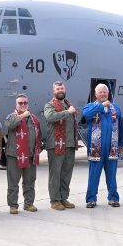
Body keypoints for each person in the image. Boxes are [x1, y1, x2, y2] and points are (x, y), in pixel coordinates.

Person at [83, 84, 123, 208]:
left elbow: (121, 126)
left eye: (105, 92)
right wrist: (101, 106)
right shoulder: (91, 106)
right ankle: (91, 199)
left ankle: (113, 198)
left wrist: (121, 143)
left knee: (112, 175)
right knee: (94, 175)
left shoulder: (115, 108)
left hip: (112, 147)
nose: (103, 94)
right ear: (96, 94)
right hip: (96, 148)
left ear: (108, 94)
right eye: (100, 92)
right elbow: (86, 114)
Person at [43, 81, 79, 211]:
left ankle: (64, 198)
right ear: (54, 91)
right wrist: (68, 112)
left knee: (66, 174)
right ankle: (55, 200)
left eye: (62, 88)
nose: (60, 90)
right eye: (57, 88)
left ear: (65, 89)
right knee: (55, 174)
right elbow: (50, 117)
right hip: (55, 145)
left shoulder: (69, 104)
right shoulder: (50, 105)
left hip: (69, 145)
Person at [4, 94, 42, 214]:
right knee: (13, 182)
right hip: (15, 155)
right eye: (20, 103)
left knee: (30, 181)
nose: (23, 105)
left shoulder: (34, 119)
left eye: (25, 103)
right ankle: (13, 205)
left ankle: (29, 203)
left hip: (30, 155)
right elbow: (10, 125)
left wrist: (37, 149)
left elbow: (38, 134)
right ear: (16, 105)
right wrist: (22, 116)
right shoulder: (11, 116)